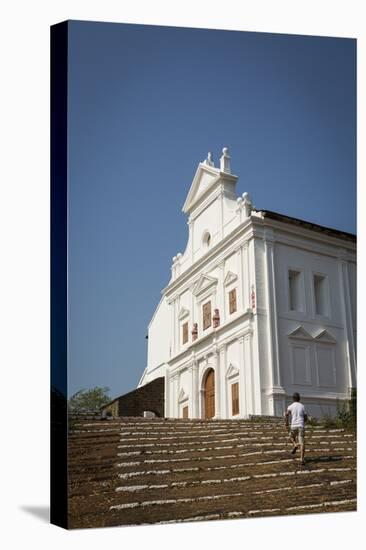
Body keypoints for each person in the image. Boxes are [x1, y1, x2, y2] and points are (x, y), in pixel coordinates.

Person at [284, 392, 308, 465]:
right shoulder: (302, 406)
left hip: (293, 426)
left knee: (291, 436)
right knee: (302, 443)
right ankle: (302, 459)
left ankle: (294, 444)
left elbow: (286, 414)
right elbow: (305, 417)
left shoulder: (290, 406)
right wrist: (304, 421)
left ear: (293, 399)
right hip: (301, 425)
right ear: (299, 398)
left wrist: (286, 422)